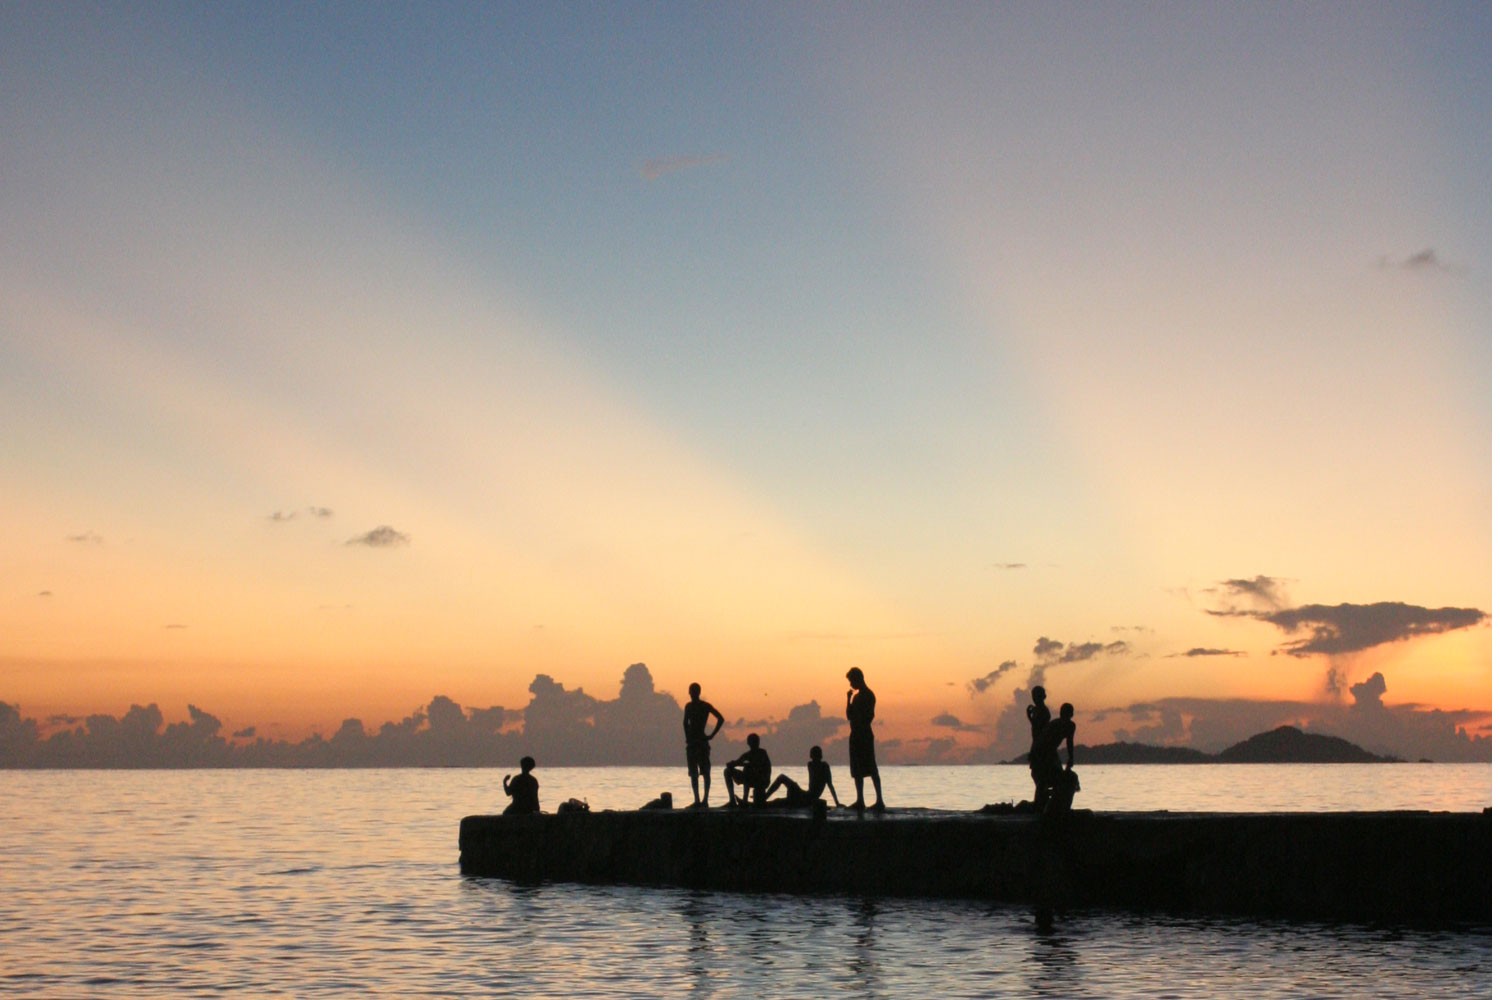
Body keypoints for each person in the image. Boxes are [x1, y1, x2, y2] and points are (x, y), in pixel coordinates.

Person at [845, 667, 885, 812]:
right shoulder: (856, 697)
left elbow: (869, 716)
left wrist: (860, 722)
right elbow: (849, 716)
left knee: (871, 767)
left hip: (864, 735)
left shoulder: (868, 695)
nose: (851, 684)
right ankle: (860, 800)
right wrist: (848, 699)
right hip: (855, 734)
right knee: (857, 769)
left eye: (851, 681)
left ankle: (879, 800)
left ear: (858, 678)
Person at [682, 682, 725, 807]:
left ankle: (704, 800)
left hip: (700, 741)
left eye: (693, 691)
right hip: (693, 742)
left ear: (697, 692)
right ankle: (698, 800)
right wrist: (687, 737)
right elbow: (684, 723)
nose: (691, 694)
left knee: (705, 771)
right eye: (691, 691)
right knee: (694, 772)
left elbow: (720, 718)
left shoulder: (704, 706)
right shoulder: (689, 706)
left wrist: (711, 735)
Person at [765, 745, 842, 808]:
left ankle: (763, 800)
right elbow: (828, 785)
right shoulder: (811, 765)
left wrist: (837, 803)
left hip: (808, 799)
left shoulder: (823, 766)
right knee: (781, 797)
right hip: (805, 795)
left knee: (780, 800)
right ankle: (764, 799)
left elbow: (830, 785)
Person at [1038, 703, 1076, 816]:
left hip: (1050, 752)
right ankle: (1043, 805)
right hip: (1043, 751)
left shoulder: (1070, 726)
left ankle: (1053, 803)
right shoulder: (1054, 724)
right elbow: (1043, 740)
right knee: (1046, 779)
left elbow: (1069, 742)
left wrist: (1071, 758)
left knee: (1058, 778)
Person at [723, 733, 772, 806]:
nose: (755, 744)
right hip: (751, 778)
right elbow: (738, 762)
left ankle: (745, 799)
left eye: (756, 742)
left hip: (762, 780)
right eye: (753, 742)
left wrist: (741, 764)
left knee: (747, 769)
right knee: (727, 771)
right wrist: (731, 764)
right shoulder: (747, 755)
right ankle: (732, 800)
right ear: (748, 743)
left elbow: (756, 764)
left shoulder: (762, 753)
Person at [1025, 685, 1052, 810]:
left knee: (1039, 775)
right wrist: (1030, 717)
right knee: (1037, 774)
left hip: (1041, 745)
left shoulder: (1043, 711)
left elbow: (1039, 730)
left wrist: (1035, 749)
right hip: (1038, 744)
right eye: (1033, 696)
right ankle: (1041, 801)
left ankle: (1041, 803)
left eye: (1036, 696)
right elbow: (1035, 729)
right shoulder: (1038, 710)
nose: (1034, 698)